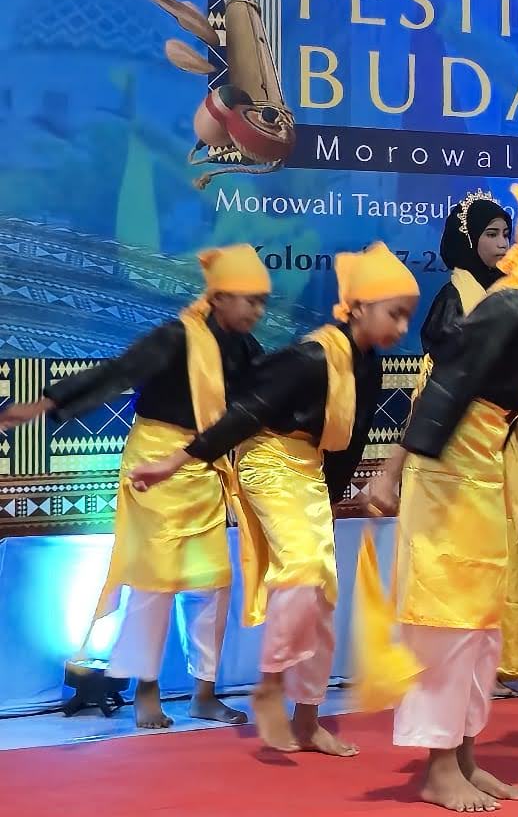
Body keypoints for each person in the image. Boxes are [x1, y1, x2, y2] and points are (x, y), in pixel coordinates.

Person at [130, 242, 419, 754]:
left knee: (322, 592)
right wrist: (176, 460)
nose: (401, 327)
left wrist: (331, 499)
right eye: (394, 313)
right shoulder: (311, 357)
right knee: (303, 567)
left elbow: (349, 442)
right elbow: (243, 415)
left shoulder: (366, 364)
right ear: (357, 308)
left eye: (406, 317)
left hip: (308, 471)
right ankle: (268, 684)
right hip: (267, 460)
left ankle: (307, 719)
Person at [367, 172, 518, 813]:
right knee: (450, 623)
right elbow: (446, 385)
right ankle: (439, 769)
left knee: (479, 625)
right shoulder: (513, 302)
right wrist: (390, 471)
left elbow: (489, 396)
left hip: (478, 472)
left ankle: (464, 757)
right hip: (448, 476)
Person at [0, 246, 269, 729]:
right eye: (248, 300)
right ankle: (147, 691)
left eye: (261, 302)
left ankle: (204, 694)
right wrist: (43, 404)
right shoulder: (174, 337)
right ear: (219, 297)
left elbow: (265, 396)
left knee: (212, 583)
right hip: (154, 468)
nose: (256, 311)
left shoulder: (245, 348)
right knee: (154, 583)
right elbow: (118, 372)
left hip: (204, 466)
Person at [417, 192, 518, 698]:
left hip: (505, 440)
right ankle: (462, 663)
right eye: (491, 234)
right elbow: (453, 363)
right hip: (466, 444)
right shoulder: (454, 296)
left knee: (505, 552)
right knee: (468, 552)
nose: (501, 244)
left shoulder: (512, 292)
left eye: (505, 234)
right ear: (467, 240)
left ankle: (497, 662)